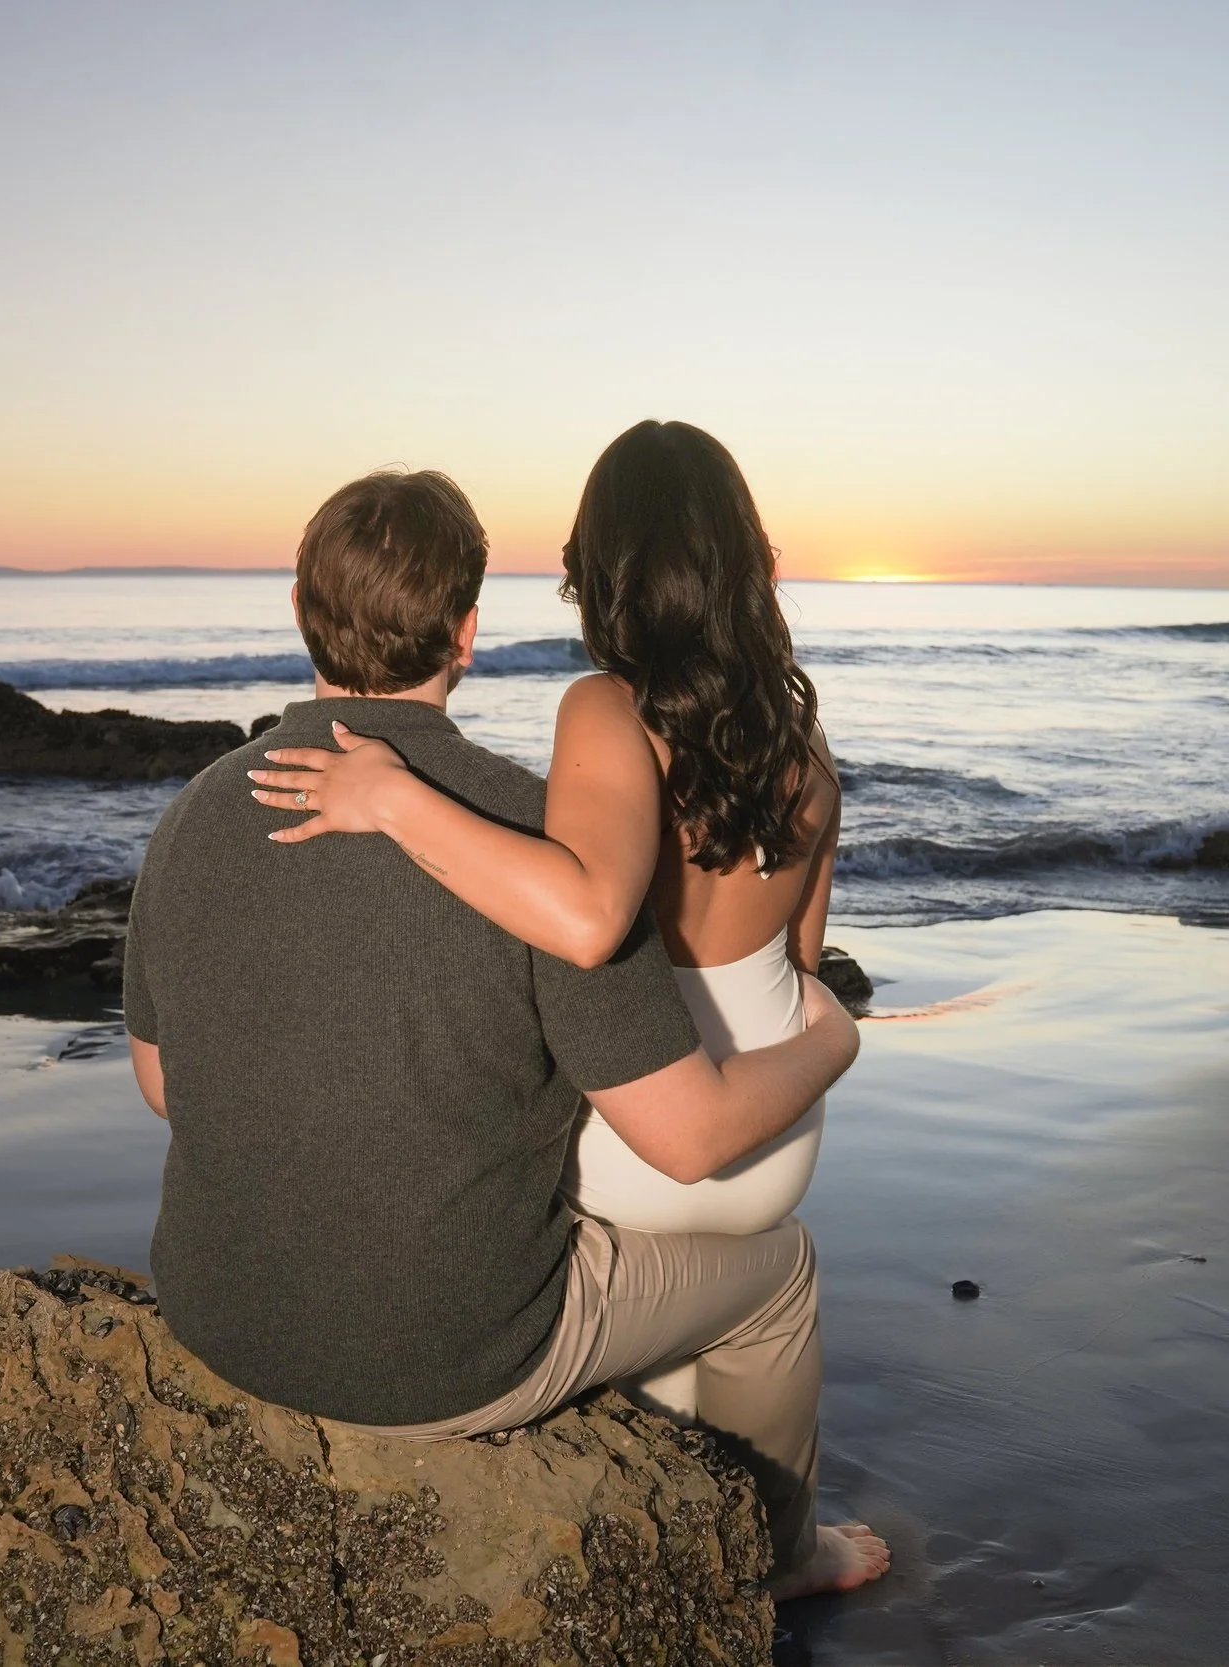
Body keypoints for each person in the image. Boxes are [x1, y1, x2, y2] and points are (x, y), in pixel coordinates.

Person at [123, 465, 889, 1598]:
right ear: (469, 630)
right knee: (770, 1275)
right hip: (446, 1364)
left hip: (218, 1316)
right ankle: (776, 1556)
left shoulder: (193, 812)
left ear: (299, 610)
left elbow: (165, 1086)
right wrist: (832, 1035)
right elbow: (679, 1124)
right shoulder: (536, 851)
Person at [245, 420, 840, 1420]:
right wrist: (831, 1038)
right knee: (735, 1289)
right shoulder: (805, 734)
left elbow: (582, 909)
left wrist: (395, 799)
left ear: (602, 573)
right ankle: (766, 1537)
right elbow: (803, 958)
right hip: (779, 1138)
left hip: (633, 1149)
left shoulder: (605, 709)